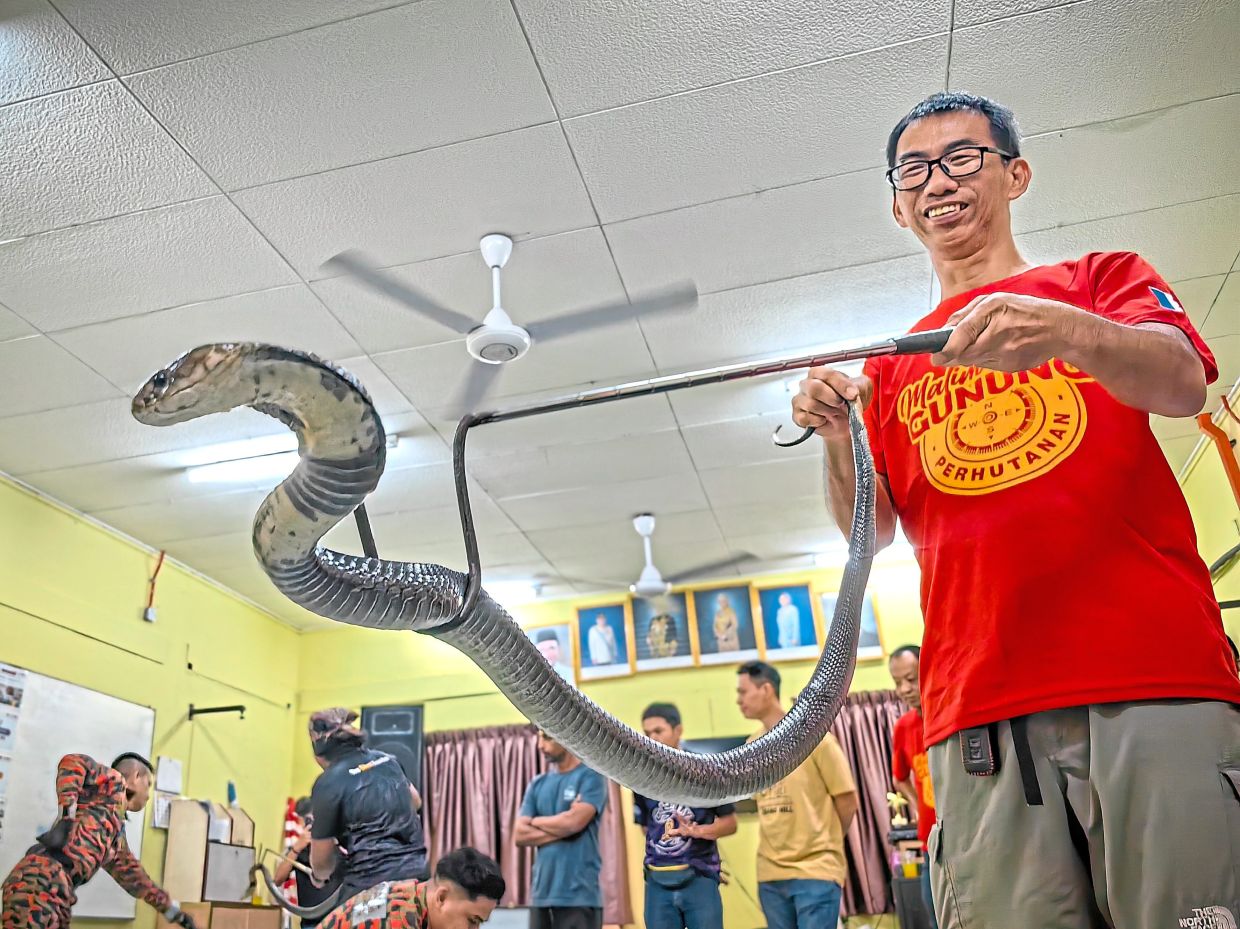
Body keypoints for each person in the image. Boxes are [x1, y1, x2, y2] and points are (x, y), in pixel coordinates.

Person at [791, 90, 1240, 927]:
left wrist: (1069, 331)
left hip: (1152, 676)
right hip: (979, 711)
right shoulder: (888, 372)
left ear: (1015, 174)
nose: (938, 181)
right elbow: (873, 529)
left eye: (964, 157)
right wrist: (834, 434)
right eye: (915, 169)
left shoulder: (1101, 281)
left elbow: (1182, 383)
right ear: (898, 204)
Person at [1, 753, 196, 928]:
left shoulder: (115, 837)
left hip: (59, 891)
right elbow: (73, 762)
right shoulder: (113, 783)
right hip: (40, 882)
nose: (148, 796)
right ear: (136, 777)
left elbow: (136, 880)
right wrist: (66, 815)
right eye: (148, 784)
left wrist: (174, 914)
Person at [736, 662, 858, 929]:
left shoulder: (814, 737)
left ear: (766, 689)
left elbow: (847, 800)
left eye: (743, 692)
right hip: (770, 874)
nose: (738, 700)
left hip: (816, 870)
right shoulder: (750, 746)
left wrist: (824, 841)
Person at [307, 708, 429, 904]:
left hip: (372, 887)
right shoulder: (389, 760)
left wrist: (319, 875)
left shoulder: (328, 783)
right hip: (417, 878)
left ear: (317, 750)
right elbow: (415, 801)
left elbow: (322, 864)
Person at [633, 703, 737, 929]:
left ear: (678, 730)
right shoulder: (640, 779)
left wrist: (698, 832)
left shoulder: (707, 771)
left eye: (658, 731)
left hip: (698, 876)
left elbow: (730, 823)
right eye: (647, 733)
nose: (652, 738)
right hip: (657, 880)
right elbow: (645, 826)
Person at [514, 731, 608, 929]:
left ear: (566, 736)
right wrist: (565, 825)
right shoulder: (537, 784)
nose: (540, 745)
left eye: (547, 737)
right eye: (538, 737)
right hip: (541, 896)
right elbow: (520, 834)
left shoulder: (591, 776)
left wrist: (536, 821)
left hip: (579, 897)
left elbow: (574, 823)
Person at [315, 846, 505, 929]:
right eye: (472, 920)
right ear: (442, 898)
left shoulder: (414, 896)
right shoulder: (397, 917)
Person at [887, 645, 937, 929]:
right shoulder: (903, 727)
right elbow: (899, 777)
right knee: (935, 916)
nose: (904, 689)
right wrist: (918, 806)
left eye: (910, 678)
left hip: (969, 835)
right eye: (897, 683)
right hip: (930, 839)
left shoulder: (949, 714)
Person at [272, 797, 342, 926]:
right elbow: (277, 879)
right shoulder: (299, 850)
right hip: (311, 922)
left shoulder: (337, 848)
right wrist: (296, 848)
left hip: (337, 920)